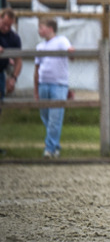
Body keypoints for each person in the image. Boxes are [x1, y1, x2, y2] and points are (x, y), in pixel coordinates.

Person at [34, 18, 74, 158]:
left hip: (58, 85)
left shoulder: (61, 41)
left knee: (55, 118)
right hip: (43, 84)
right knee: (46, 117)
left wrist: (71, 52)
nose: (39, 31)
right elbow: (37, 69)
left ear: (50, 28)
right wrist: (36, 89)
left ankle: (49, 149)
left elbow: (70, 52)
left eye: (42, 27)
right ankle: (55, 145)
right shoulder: (40, 47)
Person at [0, 8, 24, 132]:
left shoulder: (14, 38)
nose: (6, 28)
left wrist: (13, 78)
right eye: (4, 24)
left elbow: (18, 60)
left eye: (9, 25)